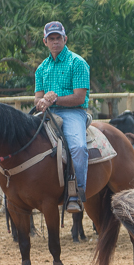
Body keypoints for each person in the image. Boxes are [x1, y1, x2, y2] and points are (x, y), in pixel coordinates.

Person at [34, 21, 91, 213]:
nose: (55, 42)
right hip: (48, 113)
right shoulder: (41, 69)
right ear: (45, 42)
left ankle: (77, 192)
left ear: (65, 39)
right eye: (52, 38)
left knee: (78, 147)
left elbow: (79, 97)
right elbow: (37, 98)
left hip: (74, 112)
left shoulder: (78, 63)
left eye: (59, 38)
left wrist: (54, 99)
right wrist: (41, 103)